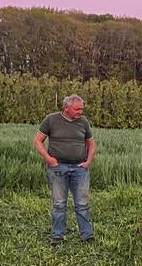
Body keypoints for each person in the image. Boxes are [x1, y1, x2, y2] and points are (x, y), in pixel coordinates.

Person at [34, 94, 97, 245]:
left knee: (82, 204)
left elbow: (92, 143)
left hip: (80, 169)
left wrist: (88, 161)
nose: (80, 112)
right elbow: (37, 141)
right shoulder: (51, 120)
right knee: (59, 204)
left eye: (82, 109)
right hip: (58, 168)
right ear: (66, 108)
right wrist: (49, 159)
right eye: (77, 109)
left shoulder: (83, 122)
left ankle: (87, 236)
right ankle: (58, 236)